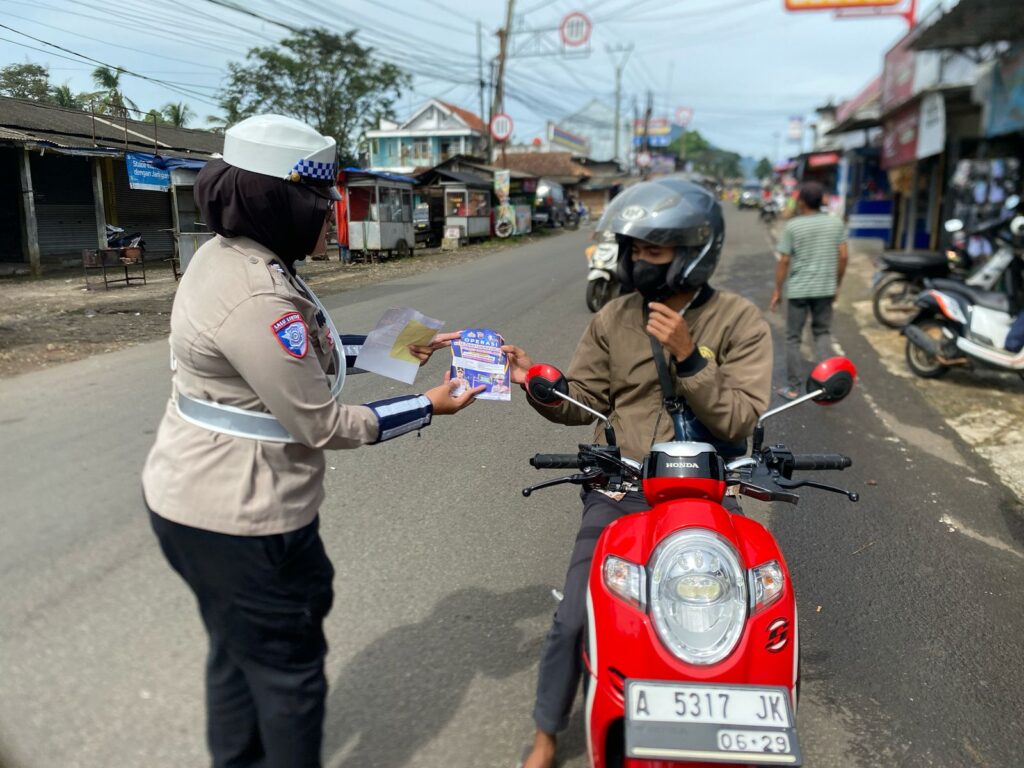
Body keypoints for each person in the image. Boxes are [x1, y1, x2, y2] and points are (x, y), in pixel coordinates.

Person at [141, 114, 482, 768]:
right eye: (321, 202)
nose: (330, 216)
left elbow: (311, 349)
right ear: (279, 203)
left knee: (234, 650)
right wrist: (428, 405)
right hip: (241, 519)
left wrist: (416, 345)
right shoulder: (258, 294)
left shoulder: (233, 255)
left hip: (195, 503)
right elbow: (321, 422)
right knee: (288, 676)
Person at [501, 178, 773, 768]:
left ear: (694, 249)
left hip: (711, 493)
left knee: (753, 611)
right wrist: (537, 386)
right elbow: (581, 401)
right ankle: (548, 732)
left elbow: (740, 416)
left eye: (653, 251)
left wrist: (689, 356)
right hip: (622, 487)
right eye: (633, 250)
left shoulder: (738, 320)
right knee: (577, 613)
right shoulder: (614, 317)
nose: (636, 262)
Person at [769, 181, 848, 400]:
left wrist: (777, 289)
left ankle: (794, 388)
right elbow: (843, 256)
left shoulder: (793, 226)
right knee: (822, 333)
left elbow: (784, 261)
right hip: (825, 288)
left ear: (801, 201)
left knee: (794, 338)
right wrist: (837, 284)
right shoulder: (835, 224)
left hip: (799, 291)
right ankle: (828, 385)